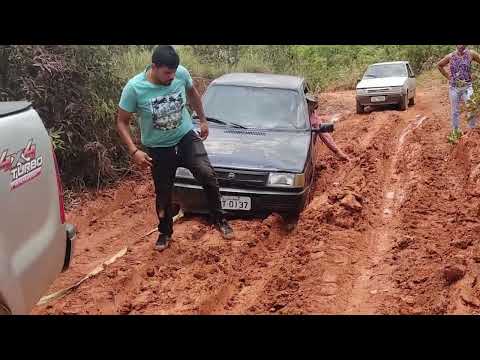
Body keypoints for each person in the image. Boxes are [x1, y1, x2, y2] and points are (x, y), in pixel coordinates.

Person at [116, 45, 234, 251]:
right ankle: (165, 232)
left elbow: (193, 93)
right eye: (167, 73)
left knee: (207, 175)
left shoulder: (180, 73)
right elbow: (121, 122)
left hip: (186, 137)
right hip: (159, 147)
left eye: (174, 72)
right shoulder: (134, 88)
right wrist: (134, 151)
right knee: (163, 193)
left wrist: (203, 120)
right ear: (154, 67)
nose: (172, 77)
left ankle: (220, 220)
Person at [438, 45, 480, 134]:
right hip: (454, 88)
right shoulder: (450, 56)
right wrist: (448, 77)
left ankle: (471, 131)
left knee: (471, 107)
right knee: (455, 111)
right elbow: (439, 65)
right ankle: (456, 132)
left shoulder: (471, 54)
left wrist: (476, 74)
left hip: (467, 86)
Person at [306, 94, 350, 161]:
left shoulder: (314, 118)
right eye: (308, 102)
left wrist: (338, 152)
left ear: (315, 106)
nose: (309, 106)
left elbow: (325, 135)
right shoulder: (292, 112)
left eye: (312, 104)